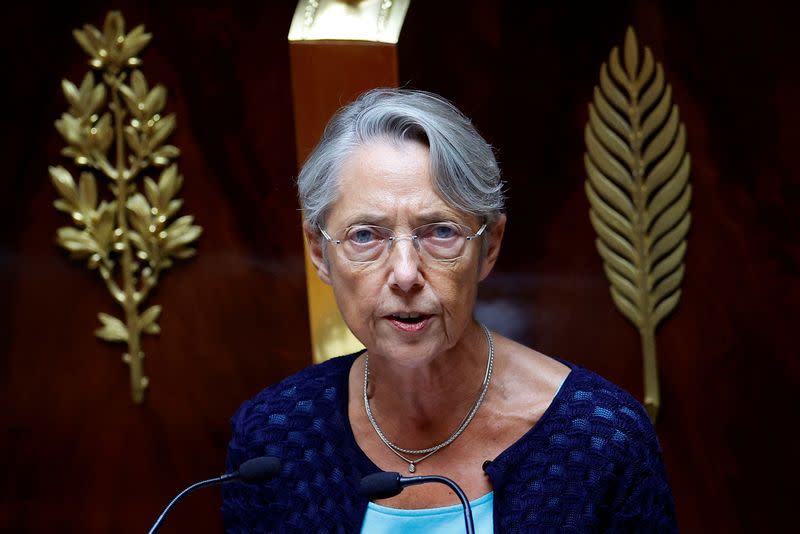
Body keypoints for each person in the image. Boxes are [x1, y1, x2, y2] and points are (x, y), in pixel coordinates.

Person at [222, 88, 677, 532]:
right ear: (320, 253)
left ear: (490, 246)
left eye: (440, 232)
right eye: (366, 235)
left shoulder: (601, 441)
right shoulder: (273, 437)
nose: (404, 274)